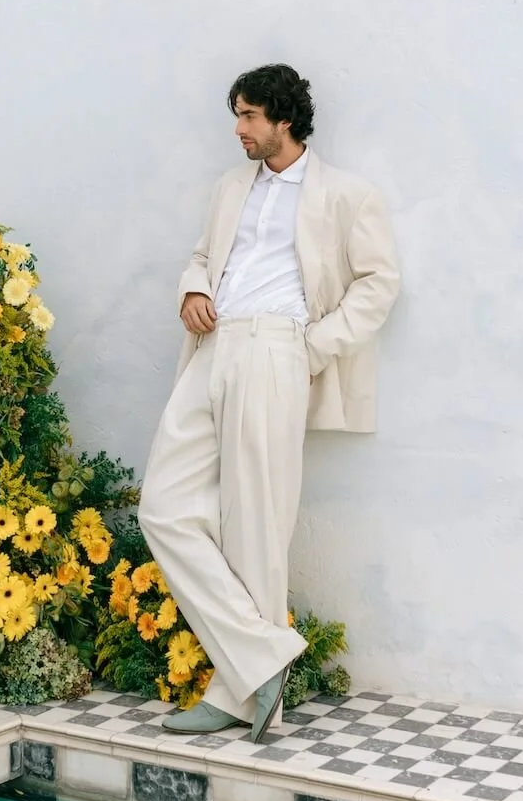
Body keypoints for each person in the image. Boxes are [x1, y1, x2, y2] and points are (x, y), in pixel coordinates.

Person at [138, 65, 401, 742]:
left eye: (250, 116)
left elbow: (379, 282)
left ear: (284, 119)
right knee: (163, 507)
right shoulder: (231, 187)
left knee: (255, 522)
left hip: (277, 350)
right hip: (212, 346)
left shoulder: (345, 194)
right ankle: (262, 655)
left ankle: (243, 690)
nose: (239, 129)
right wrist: (192, 290)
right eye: (238, 114)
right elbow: (204, 256)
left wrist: (313, 348)